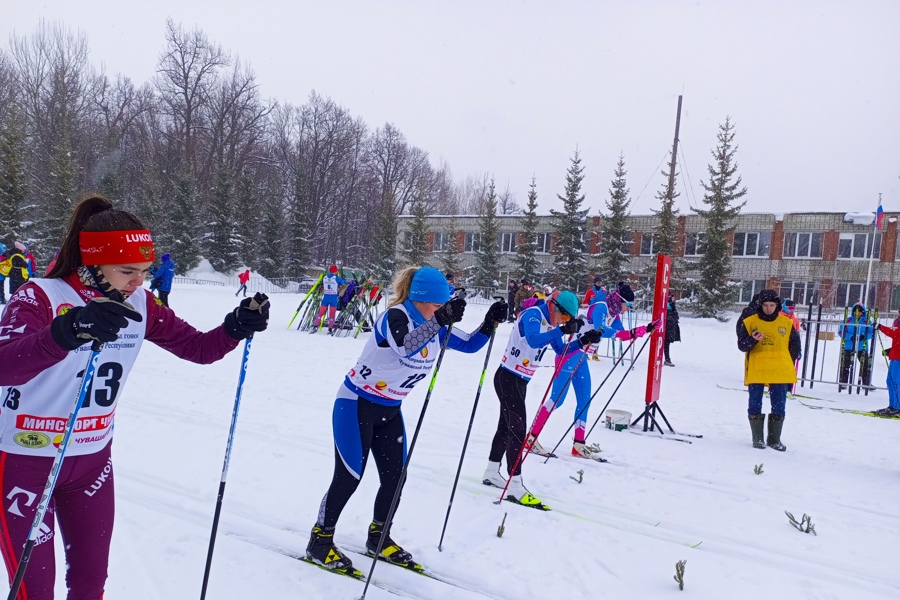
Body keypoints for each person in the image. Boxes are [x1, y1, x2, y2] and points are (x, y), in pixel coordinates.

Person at [0, 194, 269, 599]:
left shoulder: (141, 303)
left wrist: (234, 326)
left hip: (91, 461)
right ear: (91, 262)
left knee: (90, 585)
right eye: (127, 270)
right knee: (35, 591)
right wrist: (66, 332)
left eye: (144, 270)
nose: (138, 281)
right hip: (24, 458)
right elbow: (5, 366)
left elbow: (197, 348)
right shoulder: (40, 296)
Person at [305, 266, 505, 575]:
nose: (440, 310)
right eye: (437, 305)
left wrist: (489, 322)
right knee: (349, 476)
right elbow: (405, 344)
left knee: (396, 478)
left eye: (443, 306)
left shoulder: (434, 322)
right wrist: (440, 319)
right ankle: (320, 540)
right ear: (420, 299)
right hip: (355, 404)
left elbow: (469, 344)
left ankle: (379, 538)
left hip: (390, 411)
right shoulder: (395, 316)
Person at [527, 288, 658, 459]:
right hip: (568, 354)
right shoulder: (600, 308)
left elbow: (622, 334)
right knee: (556, 400)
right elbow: (602, 329)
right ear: (619, 300)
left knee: (584, 400)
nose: (629, 308)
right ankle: (531, 437)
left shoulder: (614, 314)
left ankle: (578, 444)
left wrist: (645, 329)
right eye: (628, 304)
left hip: (581, 357)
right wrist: (632, 333)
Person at [482, 290, 584, 510]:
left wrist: (583, 340)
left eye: (568, 319)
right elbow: (533, 339)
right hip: (507, 377)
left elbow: (560, 350)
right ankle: (515, 485)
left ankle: (491, 471)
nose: (564, 321)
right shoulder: (534, 314)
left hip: (520, 382)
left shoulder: (553, 322)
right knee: (518, 430)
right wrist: (562, 329)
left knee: (505, 427)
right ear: (553, 306)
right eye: (564, 316)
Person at [737, 289, 801, 451]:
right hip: (758, 368)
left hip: (780, 370)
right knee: (755, 403)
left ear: (777, 305)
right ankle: (757, 438)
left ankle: (774, 439)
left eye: (772, 305)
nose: (768, 308)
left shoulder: (786, 323)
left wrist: (790, 364)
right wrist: (752, 339)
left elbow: (795, 347)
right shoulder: (750, 321)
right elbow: (742, 346)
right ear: (760, 305)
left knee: (779, 405)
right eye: (765, 305)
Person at [837, 303, 873, 390]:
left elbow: (871, 332)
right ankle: (843, 382)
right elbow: (841, 332)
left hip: (862, 347)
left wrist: (864, 336)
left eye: (860, 311)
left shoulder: (867, 321)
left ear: (862, 312)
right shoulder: (847, 320)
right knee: (846, 364)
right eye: (856, 311)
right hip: (849, 346)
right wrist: (850, 336)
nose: (857, 313)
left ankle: (866, 383)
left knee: (865, 365)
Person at [874, 320, 900, 416]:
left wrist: (880, 327)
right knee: (890, 381)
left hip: (898, 358)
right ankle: (892, 406)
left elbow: (895, 335)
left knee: (896, 382)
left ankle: (897, 407)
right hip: (896, 356)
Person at [312, 265, 346, 334]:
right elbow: (344, 282)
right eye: (336, 270)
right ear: (335, 271)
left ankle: (315, 326)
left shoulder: (325, 277)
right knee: (332, 314)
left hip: (326, 297)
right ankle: (330, 329)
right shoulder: (336, 278)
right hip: (333, 297)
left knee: (320, 313)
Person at [664, 292, 681, 366]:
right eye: (673, 298)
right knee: (665, 344)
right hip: (667, 328)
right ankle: (667, 359)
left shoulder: (672, 305)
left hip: (670, 328)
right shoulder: (668, 306)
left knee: (666, 344)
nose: (674, 299)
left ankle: (667, 359)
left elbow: (675, 316)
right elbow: (671, 317)